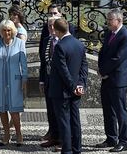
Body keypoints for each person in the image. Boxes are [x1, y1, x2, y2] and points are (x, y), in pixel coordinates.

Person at [47, 17, 87, 154]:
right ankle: (77, 149)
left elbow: (63, 71)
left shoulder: (60, 46)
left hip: (62, 91)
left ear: (57, 30)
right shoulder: (79, 44)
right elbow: (84, 67)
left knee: (64, 123)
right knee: (75, 121)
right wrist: (80, 85)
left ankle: (67, 151)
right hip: (76, 90)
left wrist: (72, 86)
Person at [95, 10, 127, 152]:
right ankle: (111, 138)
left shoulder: (126, 36)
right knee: (107, 110)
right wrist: (100, 70)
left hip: (118, 80)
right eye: (108, 19)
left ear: (119, 20)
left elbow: (118, 58)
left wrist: (104, 71)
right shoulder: (110, 33)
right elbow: (103, 53)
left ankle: (123, 141)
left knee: (120, 111)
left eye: (110, 19)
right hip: (106, 79)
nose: (108, 22)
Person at [0, 19, 28, 146]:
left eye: (9, 30)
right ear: (1, 31)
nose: (6, 33)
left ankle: (19, 133)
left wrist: (24, 79)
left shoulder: (20, 43)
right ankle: (6, 133)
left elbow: (24, 64)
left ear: (13, 31)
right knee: (2, 109)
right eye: (4, 30)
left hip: (15, 82)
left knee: (14, 110)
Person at [39, 16, 61, 148]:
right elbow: (43, 62)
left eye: (54, 25)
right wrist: (41, 81)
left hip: (60, 83)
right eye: (49, 26)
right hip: (48, 81)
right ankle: (53, 136)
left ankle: (63, 139)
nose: (51, 28)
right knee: (51, 111)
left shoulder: (64, 41)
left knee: (60, 113)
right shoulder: (47, 40)